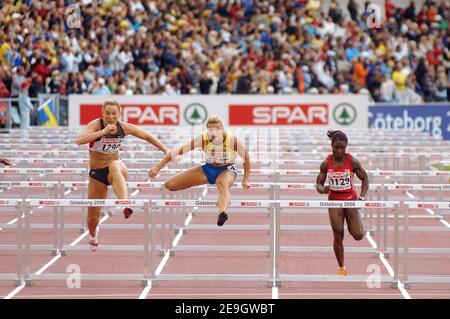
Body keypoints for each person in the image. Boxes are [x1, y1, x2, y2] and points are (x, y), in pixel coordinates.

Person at [76, 99, 169, 251]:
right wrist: (103, 132)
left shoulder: (124, 127)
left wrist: (166, 150)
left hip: (117, 169)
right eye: (107, 113)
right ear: (102, 113)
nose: (111, 117)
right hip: (97, 173)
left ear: (119, 114)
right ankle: (93, 235)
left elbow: (147, 136)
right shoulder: (96, 125)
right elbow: (79, 140)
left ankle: (125, 204)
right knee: (93, 218)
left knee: (113, 164)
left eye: (114, 114)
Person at [148, 115, 250, 226]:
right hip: (208, 168)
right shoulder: (202, 139)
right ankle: (198, 187)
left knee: (222, 183)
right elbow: (178, 151)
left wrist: (246, 180)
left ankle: (222, 212)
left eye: (217, 129)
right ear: (207, 130)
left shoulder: (232, 140)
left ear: (222, 129)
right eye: (211, 130)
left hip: (227, 170)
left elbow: (247, 158)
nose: (214, 132)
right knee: (170, 185)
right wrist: (158, 167)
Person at [316, 130, 369, 276]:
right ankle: (341, 268)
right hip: (334, 201)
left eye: (342, 148)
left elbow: (365, 178)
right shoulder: (326, 163)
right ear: (331, 146)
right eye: (336, 148)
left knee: (358, 235)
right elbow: (318, 183)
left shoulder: (352, 161)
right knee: (338, 234)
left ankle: (360, 223)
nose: (339, 151)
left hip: (350, 200)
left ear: (346, 147)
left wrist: (362, 198)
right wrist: (323, 189)